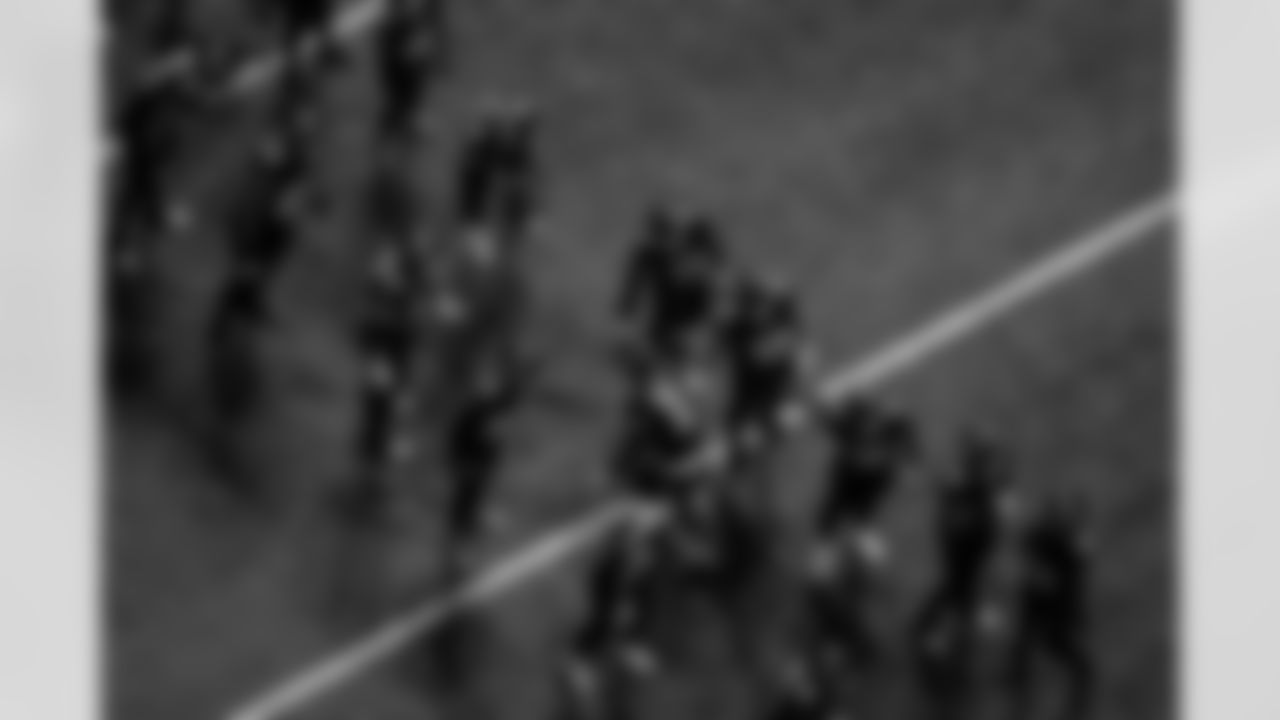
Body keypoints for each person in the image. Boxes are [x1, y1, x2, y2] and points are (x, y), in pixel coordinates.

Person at [911, 434, 1014, 680]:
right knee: (958, 595)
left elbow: (971, 500)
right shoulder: (968, 490)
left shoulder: (973, 488)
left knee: (954, 591)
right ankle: (937, 647)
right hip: (965, 553)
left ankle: (929, 628)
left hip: (968, 552)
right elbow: (958, 518)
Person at [1006, 494, 1094, 718]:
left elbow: (1073, 575)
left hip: (1051, 604)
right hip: (1042, 601)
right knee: (1031, 638)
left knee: (1052, 641)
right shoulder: (1052, 541)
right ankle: (1018, 673)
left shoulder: (1058, 545)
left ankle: (1078, 680)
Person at [720, 273, 813, 459]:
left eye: (763, 305)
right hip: (752, 385)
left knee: (781, 410)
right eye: (754, 306)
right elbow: (753, 360)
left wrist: (796, 352)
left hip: (776, 377)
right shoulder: (737, 331)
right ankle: (747, 426)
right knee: (747, 440)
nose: (759, 311)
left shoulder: (783, 310)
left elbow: (796, 336)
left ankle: (780, 407)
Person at [444, 355, 527, 546]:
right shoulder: (478, 413)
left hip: (476, 457)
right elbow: (463, 436)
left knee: (472, 491)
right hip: (472, 457)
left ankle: (464, 526)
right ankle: (461, 529)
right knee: (468, 492)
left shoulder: (485, 411)